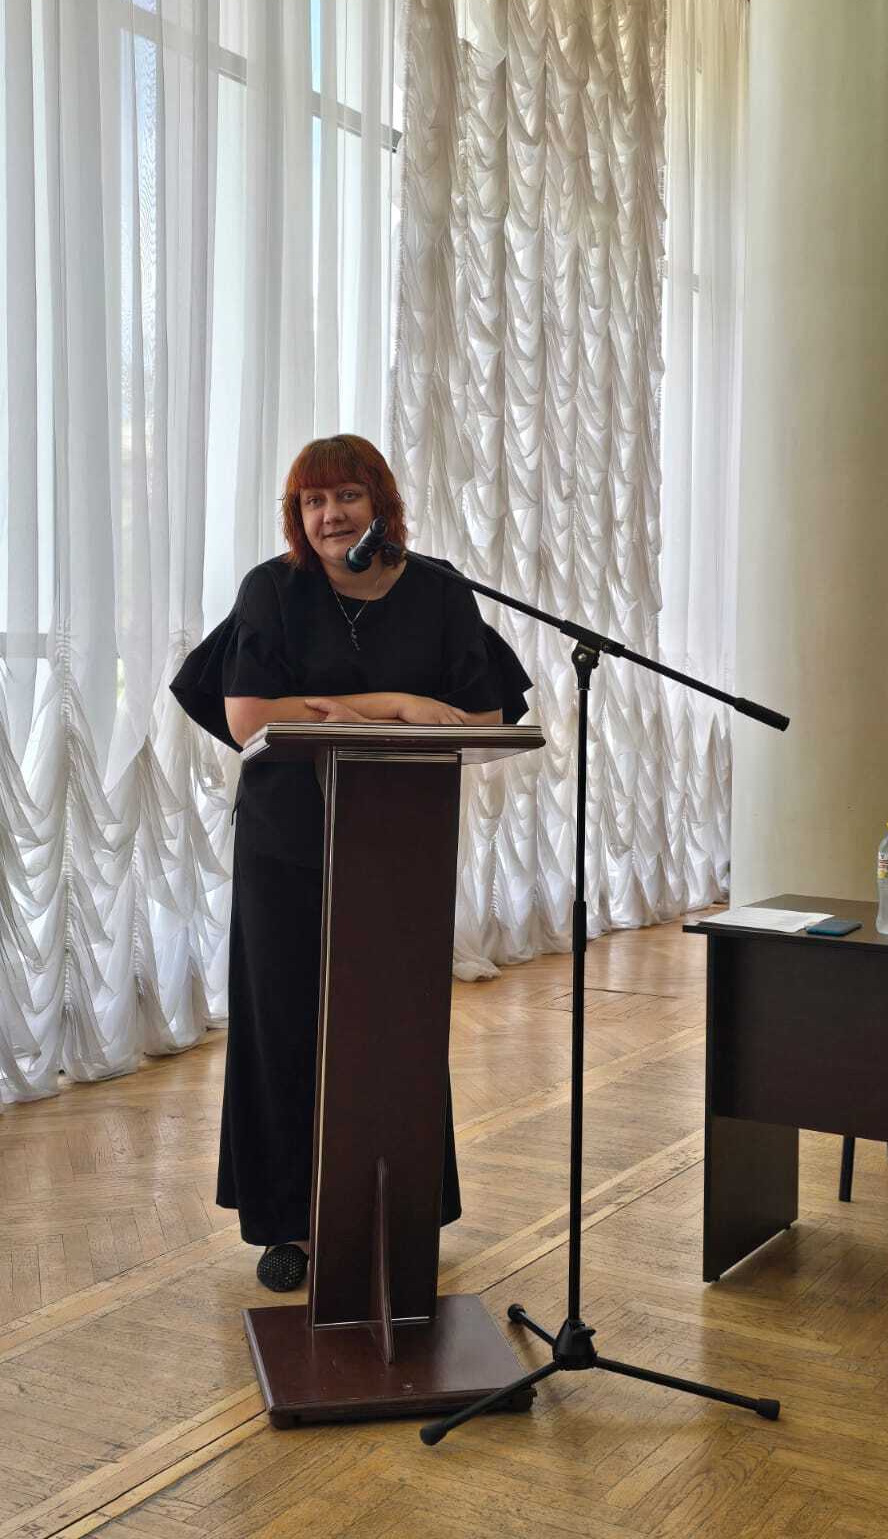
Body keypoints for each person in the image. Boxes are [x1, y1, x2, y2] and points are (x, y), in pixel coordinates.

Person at [170, 435, 531, 1292]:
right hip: (286, 841)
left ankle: (395, 1211)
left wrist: (353, 710)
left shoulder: (438, 589)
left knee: (397, 1027)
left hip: (401, 839)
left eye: (347, 497)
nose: (330, 515)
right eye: (312, 501)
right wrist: (397, 703)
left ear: (381, 505)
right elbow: (249, 715)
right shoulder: (273, 589)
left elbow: (485, 717)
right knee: (285, 1024)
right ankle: (288, 1224)